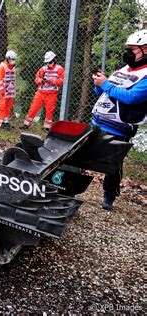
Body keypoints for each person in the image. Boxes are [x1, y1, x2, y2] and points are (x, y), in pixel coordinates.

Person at [91, 29, 147, 211]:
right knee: (77, 154)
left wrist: (105, 84)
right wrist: (99, 84)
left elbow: (131, 97)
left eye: (133, 49)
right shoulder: (123, 69)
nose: (128, 52)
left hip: (119, 127)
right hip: (98, 120)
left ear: (145, 49)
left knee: (113, 164)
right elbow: (103, 92)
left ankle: (109, 195)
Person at [21, 51, 65, 131]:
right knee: (34, 108)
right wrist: (42, 81)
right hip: (41, 92)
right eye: (47, 62)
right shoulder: (43, 69)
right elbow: (36, 79)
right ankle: (26, 124)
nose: (48, 64)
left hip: (52, 93)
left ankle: (46, 127)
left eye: (50, 62)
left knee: (49, 110)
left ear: (54, 60)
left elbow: (61, 81)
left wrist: (51, 81)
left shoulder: (60, 69)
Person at [0, 50, 17, 130]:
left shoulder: (13, 68)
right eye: (11, 60)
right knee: (2, 106)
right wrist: (1, 91)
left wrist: (14, 90)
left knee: (8, 106)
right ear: (7, 59)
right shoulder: (2, 67)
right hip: (4, 92)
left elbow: (14, 80)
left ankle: (6, 121)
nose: (13, 61)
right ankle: (0, 123)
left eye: (14, 60)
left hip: (10, 91)